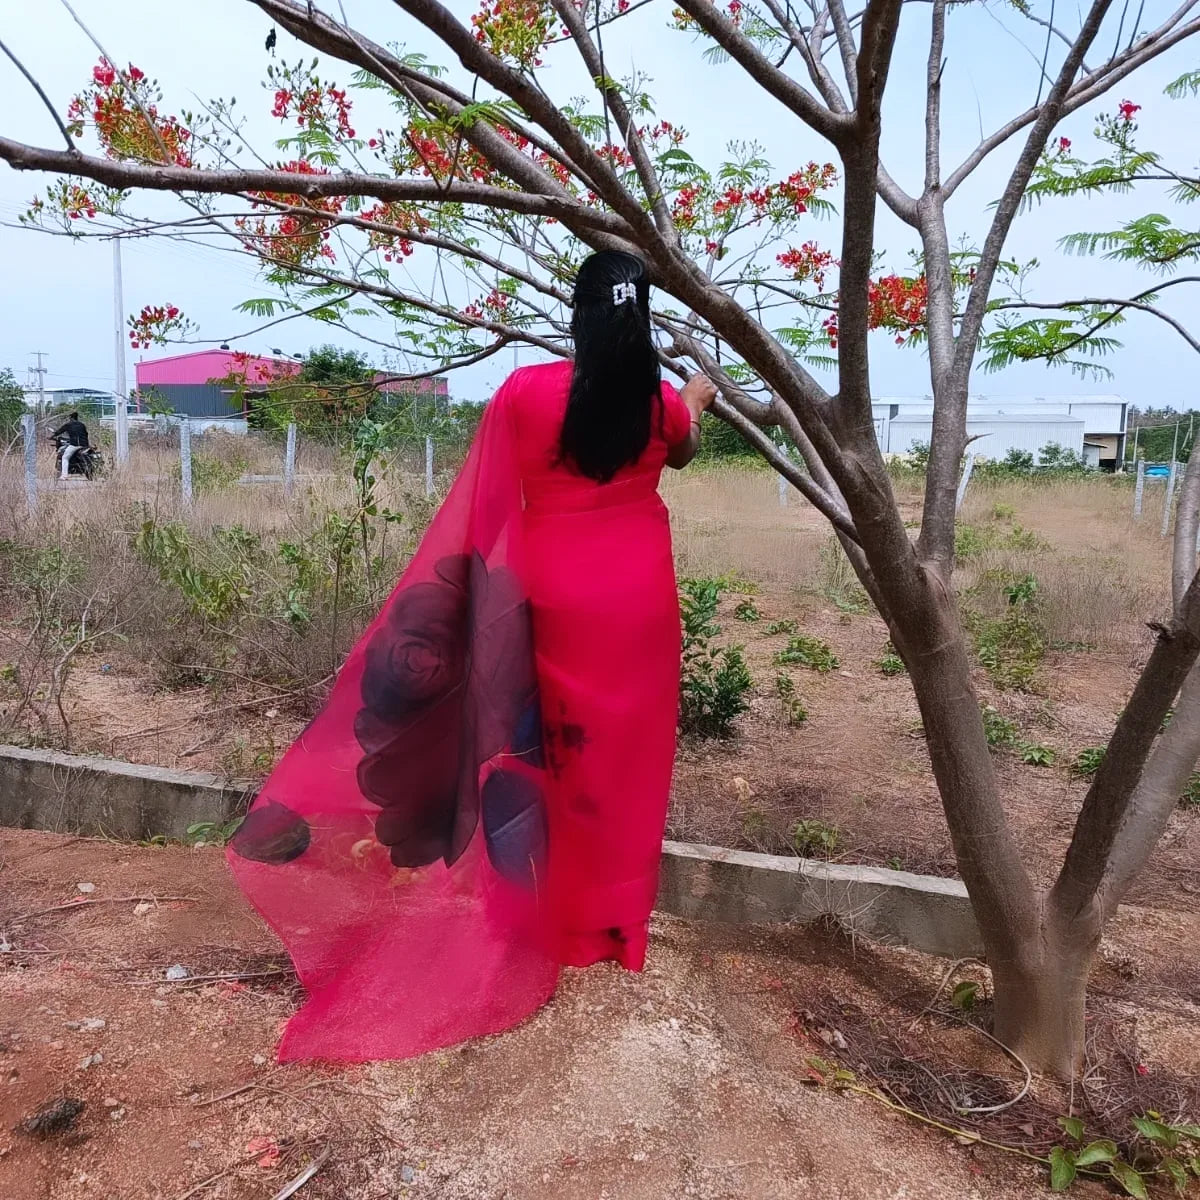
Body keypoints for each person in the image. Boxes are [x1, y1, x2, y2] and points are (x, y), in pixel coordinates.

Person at [227, 251, 717, 1063]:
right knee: (625, 761)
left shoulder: (526, 393)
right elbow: (685, 447)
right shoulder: (661, 404)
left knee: (546, 753)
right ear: (642, 319)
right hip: (637, 601)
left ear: (580, 315)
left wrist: (470, 609)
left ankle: (542, 917)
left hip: (554, 594)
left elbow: (486, 501)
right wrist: (697, 396)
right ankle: (614, 926)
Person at [51, 411, 90, 480]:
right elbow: (86, 434)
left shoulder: (69, 425)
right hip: (85, 445)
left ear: (71, 418)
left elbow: (59, 431)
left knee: (65, 457)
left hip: (75, 444)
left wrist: (52, 436)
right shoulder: (82, 425)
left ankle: (64, 476)